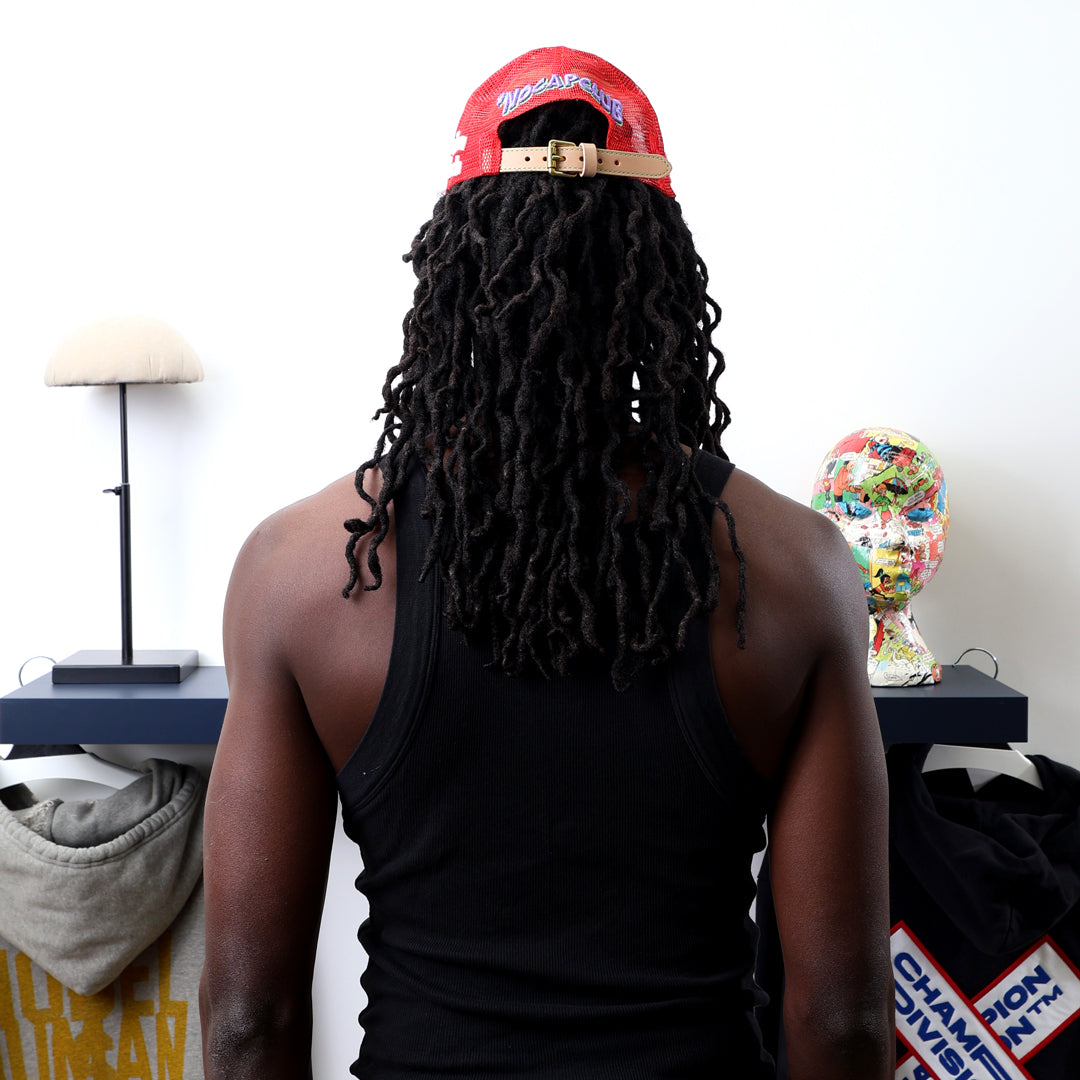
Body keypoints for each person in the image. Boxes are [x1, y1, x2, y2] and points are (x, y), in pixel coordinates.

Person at [200, 46, 893, 1080]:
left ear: (456, 263)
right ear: (655, 262)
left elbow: (250, 1018)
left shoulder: (299, 575)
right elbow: (839, 1022)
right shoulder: (799, 573)